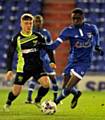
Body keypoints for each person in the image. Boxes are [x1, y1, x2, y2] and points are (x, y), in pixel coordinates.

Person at [42, 8, 104, 109]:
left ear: (83, 18)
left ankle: (55, 102)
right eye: (73, 18)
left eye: (78, 18)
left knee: (68, 87)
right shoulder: (67, 31)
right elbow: (54, 45)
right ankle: (76, 94)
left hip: (84, 63)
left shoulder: (91, 28)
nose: (75, 21)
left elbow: (96, 33)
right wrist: (43, 45)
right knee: (65, 86)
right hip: (72, 61)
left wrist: (97, 45)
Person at [3, 13, 55, 111]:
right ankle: (8, 102)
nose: (28, 25)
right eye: (26, 23)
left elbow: (48, 49)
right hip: (23, 68)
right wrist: (9, 69)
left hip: (37, 67)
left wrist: (52, 61)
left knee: (46, 84)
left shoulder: (38, 36)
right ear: (21, 24)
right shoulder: (17, 38)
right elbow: (10, 54)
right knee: (16, 91)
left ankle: (37, 100)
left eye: (30, 23)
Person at [25, 15, 58, 104]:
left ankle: (56, 99)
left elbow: (50, 47)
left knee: (53, 78)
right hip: (35, 60)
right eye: (36, 21)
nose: (38, 23)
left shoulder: (46, 33)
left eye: (39, 21)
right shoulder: (30, 33)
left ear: (42, 22)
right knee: (35, 78)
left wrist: (52, 59)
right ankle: (29, 98)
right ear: (33, 23)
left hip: (45, 59)